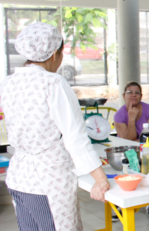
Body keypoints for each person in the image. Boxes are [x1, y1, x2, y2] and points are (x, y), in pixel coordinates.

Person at [0, 22, 109, 230]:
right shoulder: (53, 83)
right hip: (47, 181)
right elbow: (74, 136)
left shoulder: (8, 83)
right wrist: (100, 178)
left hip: (18, 177)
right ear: (53, 55)